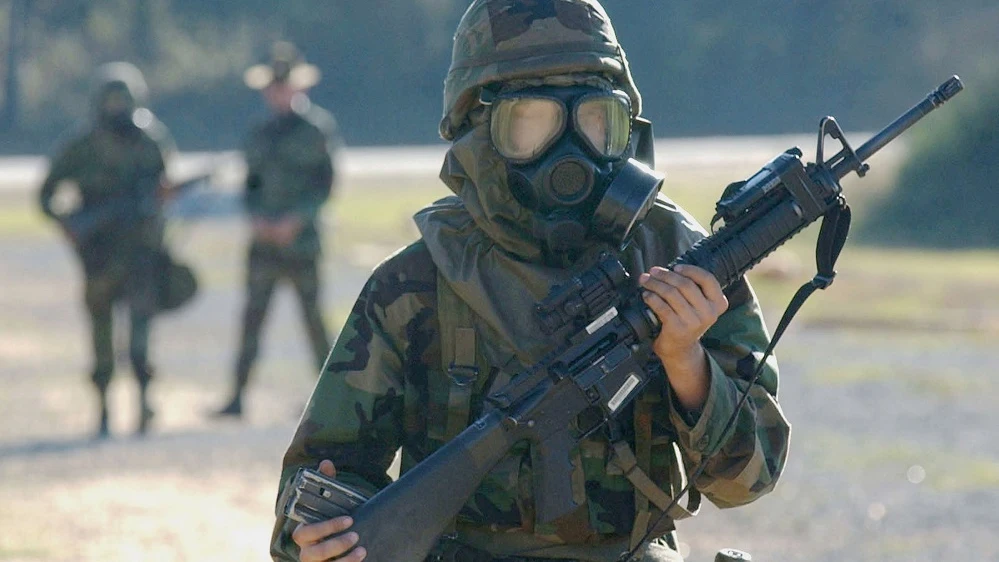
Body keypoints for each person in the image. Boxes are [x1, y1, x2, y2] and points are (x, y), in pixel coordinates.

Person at [270, 1, 791, 561]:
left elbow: (748, 480)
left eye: (597, 122)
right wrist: (322, 541)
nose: (570, 155)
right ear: (479, 132)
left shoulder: (677, 260)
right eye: (531, 125)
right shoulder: (417, 282)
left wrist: (686, 362)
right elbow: (317, 484)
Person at [38, 62, 173, 438]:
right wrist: (68, 223)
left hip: (139, 254)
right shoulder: (81, 144)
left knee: (141, 333)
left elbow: (162, 192)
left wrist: (158, 209)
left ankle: (144, 402)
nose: (117, 110)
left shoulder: (150, 140)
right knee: (101, 334)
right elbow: (46, 193)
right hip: (98, 257)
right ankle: (102, 408)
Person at [212, 42, 340, 418]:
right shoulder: (259, 133)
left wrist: (296, 219)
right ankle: (236, 397)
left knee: (314, 323)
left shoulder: (317, 130)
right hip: (263, 245)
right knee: (251, 320)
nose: (278, 94)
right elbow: (249, 185)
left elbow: (325, 185)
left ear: (299, 89)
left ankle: (331, 402)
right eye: (273, 88)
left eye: (284, 87)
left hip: (301, 244)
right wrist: (255, 218)